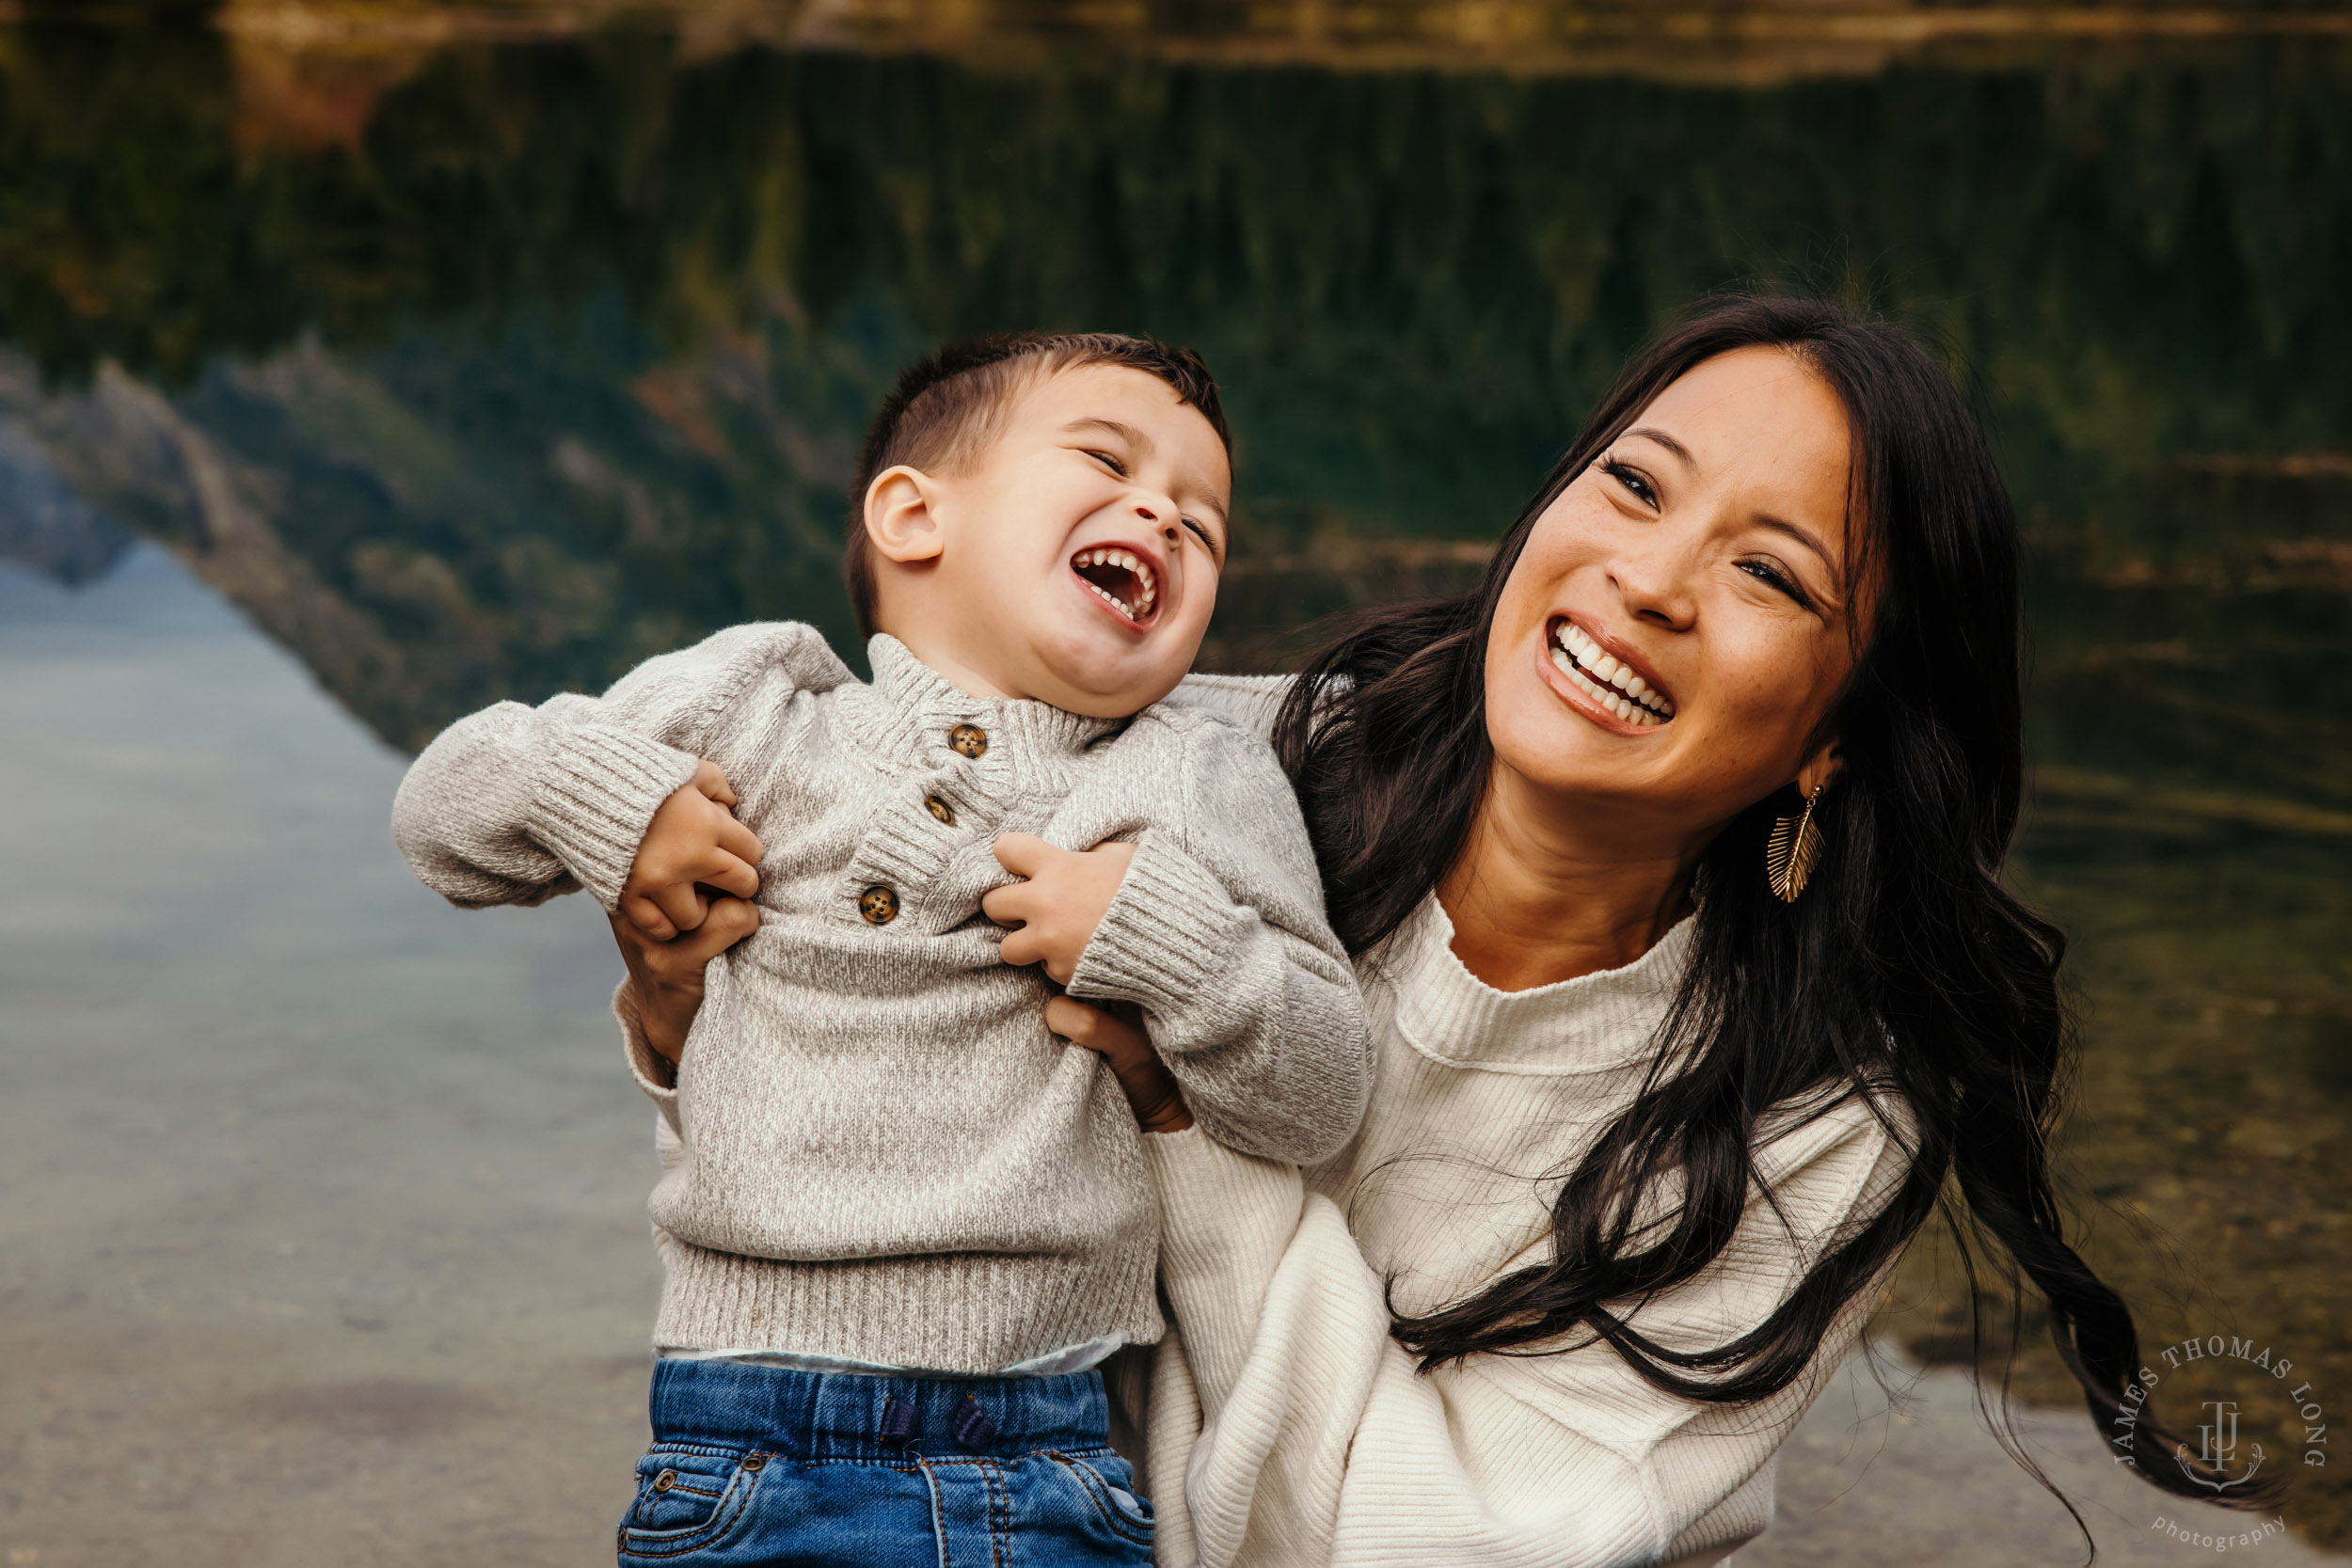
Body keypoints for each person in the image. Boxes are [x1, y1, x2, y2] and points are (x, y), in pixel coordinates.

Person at [620, 297, 2276, 1566]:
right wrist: (684, 999)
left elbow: (1437, 1542)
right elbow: (865, 1067)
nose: (1645, 580)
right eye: (1632, 484)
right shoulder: (1214, 768)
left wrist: (1185, 1104)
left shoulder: (1821, 1118)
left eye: (1768, 575)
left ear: (1835, 730)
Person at [391, 332, 1374, 1568]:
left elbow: (1324, 1094)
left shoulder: (1193, 772)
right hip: (743, 1439)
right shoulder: (762, 706)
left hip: (1048, 1451)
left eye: (1206, 523)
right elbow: (440, 816)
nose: (1164, 517)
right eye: (1107, 461)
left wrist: (1171, 946)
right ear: (914, 517)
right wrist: (611, 806)